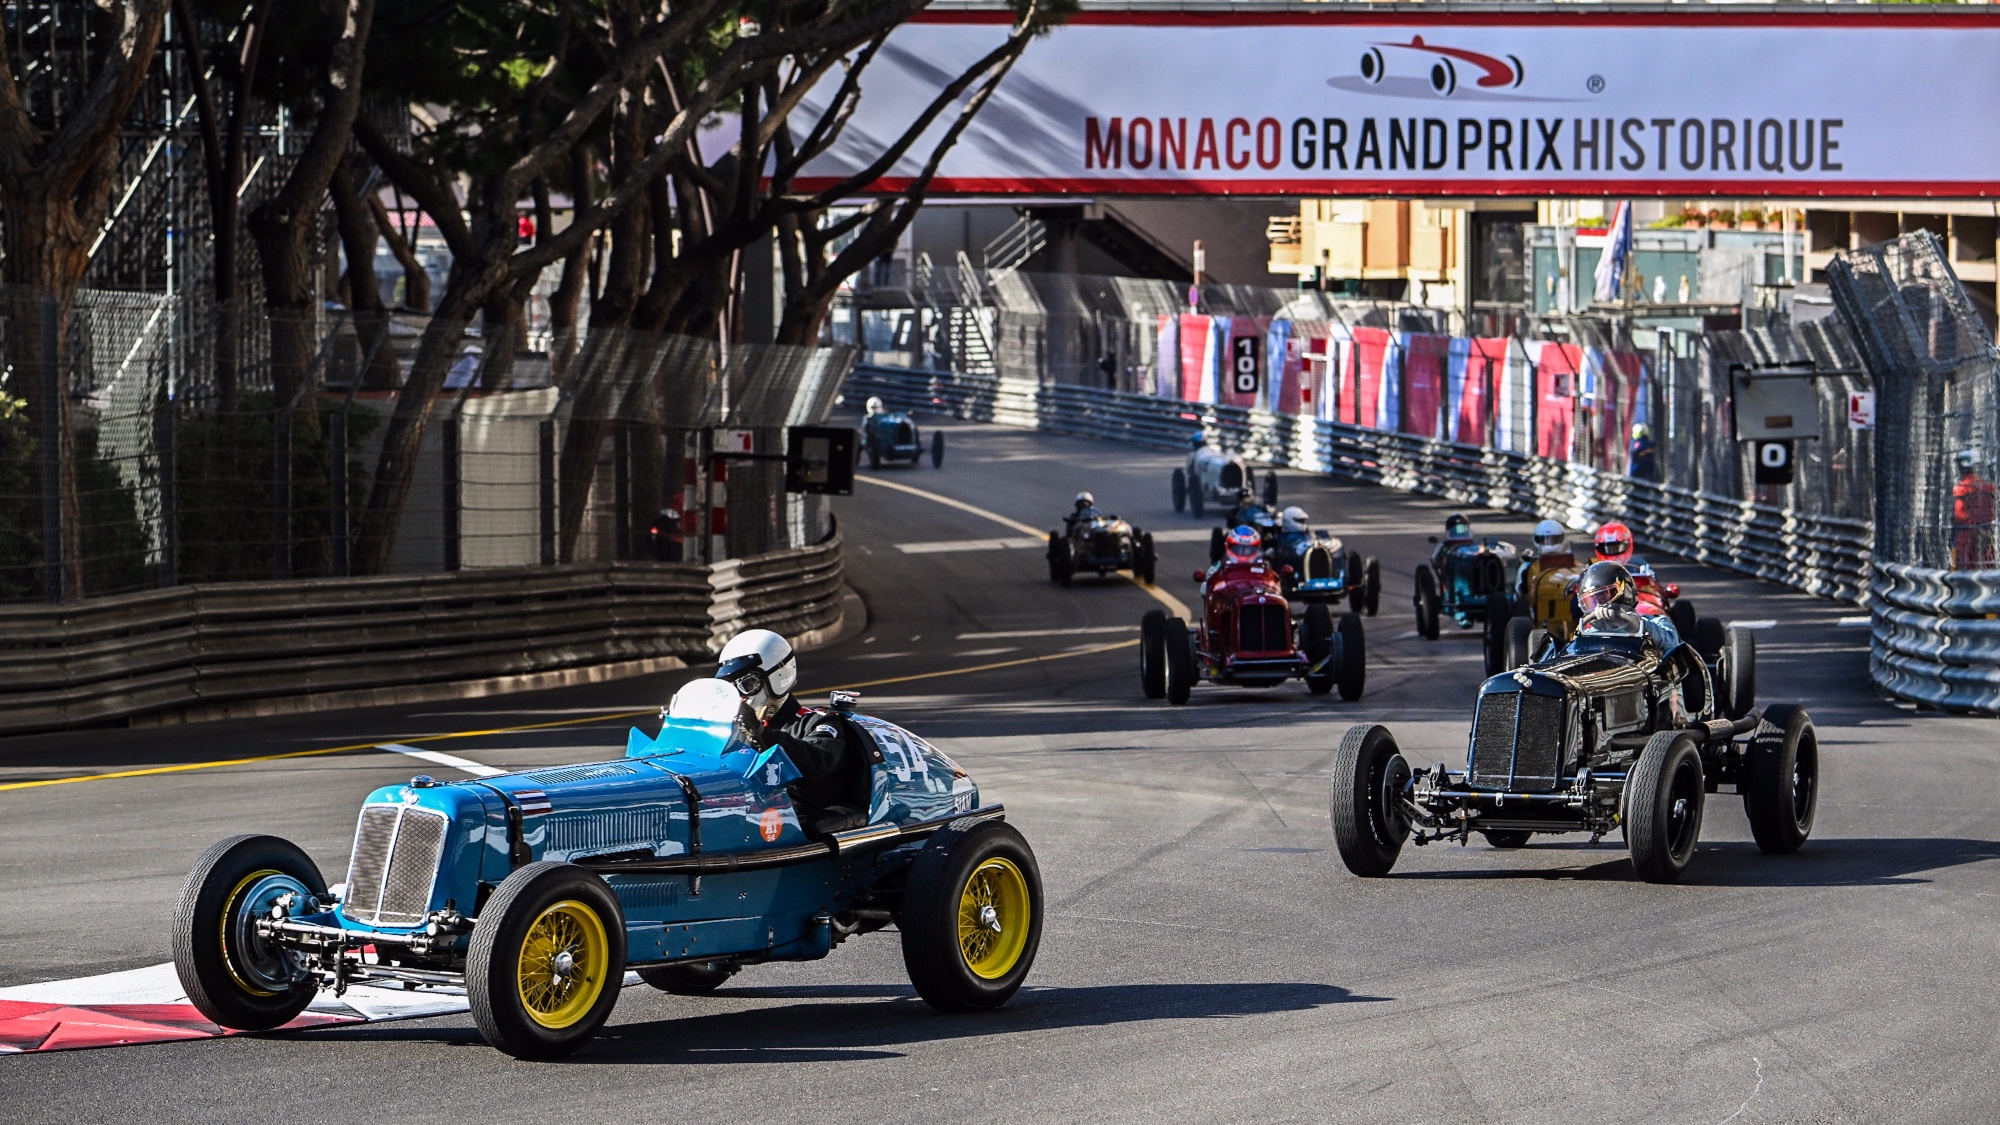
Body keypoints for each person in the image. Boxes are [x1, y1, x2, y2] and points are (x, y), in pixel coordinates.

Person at [714, 629, 869, 829]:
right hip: (742, 811)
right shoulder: (732, 728)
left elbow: (817, 760)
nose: (741, 697)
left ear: (777, 676)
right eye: (732, 689)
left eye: (748, 684)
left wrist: (761, 735)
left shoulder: (818, 722)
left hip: (792, 820)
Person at [1571, 560, 1677, 650]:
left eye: (1603, 597)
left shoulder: (1657, 623)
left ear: (1626, 593)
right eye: (1592, 601)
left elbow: (1673, 645)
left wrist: (1636, 626)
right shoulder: (1585, 635)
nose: (1599, 607)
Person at [1953, 449, 1995, 570]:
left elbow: (1959, 515)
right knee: (1987, 565)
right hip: (1987, 534)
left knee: (1958, 566)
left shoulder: (1962, 488)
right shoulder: (1988, 487)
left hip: (1965, 534)